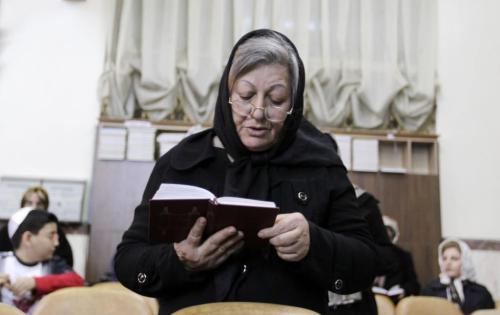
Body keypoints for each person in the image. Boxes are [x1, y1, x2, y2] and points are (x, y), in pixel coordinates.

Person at [114, 29, 376, 314]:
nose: (259, 112)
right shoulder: (182, 163)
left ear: (294, 103)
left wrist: (314, 244)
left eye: (276, 99)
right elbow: (128, 263)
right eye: (246, 95)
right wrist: (179, 260)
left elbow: (365, 266)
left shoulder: (320, 165)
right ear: (227, 94)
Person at [0, 207, 84, 313]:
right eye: (51, 236)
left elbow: (78, 281)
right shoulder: (2, 261)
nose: (57, 243)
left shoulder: (53, 265)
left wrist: (36, 283)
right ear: (28, 238)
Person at [0, 186, 73, 267]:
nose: (34, 207)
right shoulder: (9, 229)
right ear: (22, 205)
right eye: (29, 203)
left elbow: (67, 263)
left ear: (45, 207)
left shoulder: (54, 230)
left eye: (39, 204)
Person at [421, 238, 494, 315]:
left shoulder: (480, 292)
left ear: (465, 261)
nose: (448, 263)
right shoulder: (429, 290)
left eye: (454, 258)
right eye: (444, 258)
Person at [371, 215, 420, 303]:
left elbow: (414, 285)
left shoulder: (403, 256)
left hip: (395, 304)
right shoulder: (365, 253)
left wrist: (404, 290)